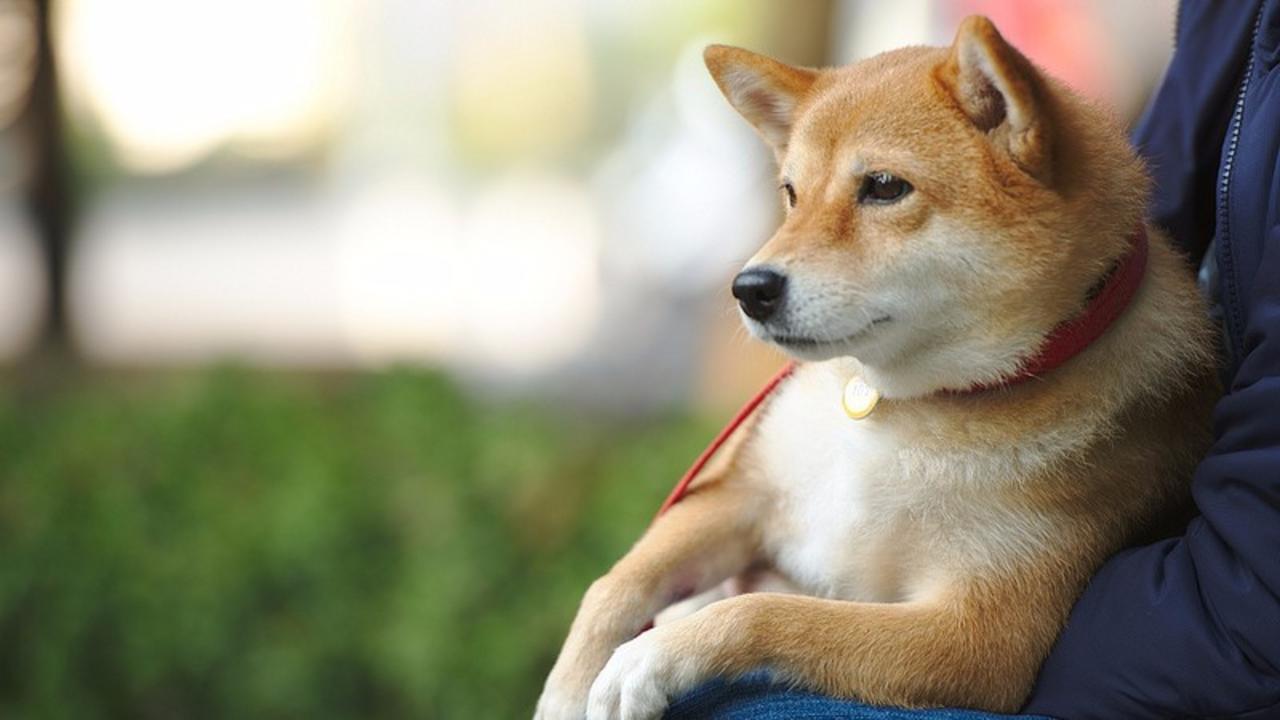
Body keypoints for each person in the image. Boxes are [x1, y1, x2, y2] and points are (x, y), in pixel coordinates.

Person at [667, 1, 1280, 717]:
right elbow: (1151, 185)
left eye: (881, 188)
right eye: (794, 194)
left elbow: (1249, 615)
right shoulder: (1230, 14)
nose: (774, 257)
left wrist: (790, 630)